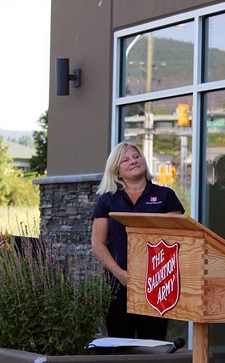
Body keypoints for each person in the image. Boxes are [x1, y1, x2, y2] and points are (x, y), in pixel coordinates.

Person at [90, 142, 185, 340]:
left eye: (136, 156)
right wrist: (121, 275)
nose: (133, 161)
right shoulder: (107, 201)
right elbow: (98, 245)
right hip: (117, 285)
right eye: (125, 159)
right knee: (120, 345)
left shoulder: (166, 196)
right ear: (116, 171)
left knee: (153, 345)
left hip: (157, 285)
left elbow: (177, 238)